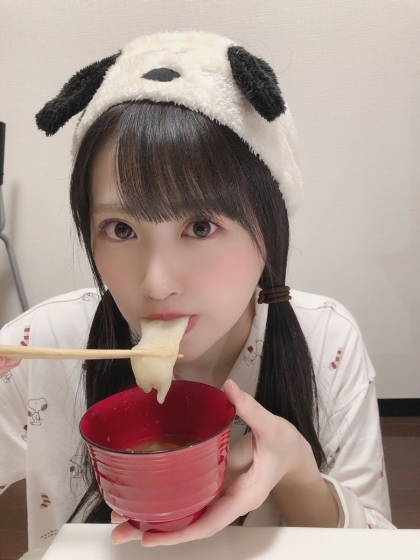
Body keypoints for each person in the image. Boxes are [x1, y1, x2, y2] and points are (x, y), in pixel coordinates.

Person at [0, 31, 394, 559]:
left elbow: (378, 547)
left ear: (270, 232)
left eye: (201, 226)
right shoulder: (37, 347)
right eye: (120, 229)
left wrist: (299, 474)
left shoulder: (326, 340)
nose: (156, 283)